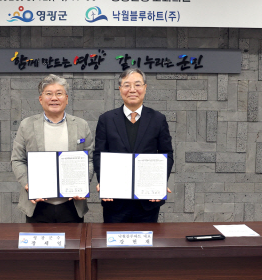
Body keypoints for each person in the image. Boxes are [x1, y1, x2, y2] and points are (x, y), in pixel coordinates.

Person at [93, 68, 174, 223]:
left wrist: (160, 181)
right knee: (114, 238)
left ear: (145, 87)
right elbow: (99, 154)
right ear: (120, 89)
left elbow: (166, 153)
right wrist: (104, 181)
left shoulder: (158, 119)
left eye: (137, 85)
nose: (132, 90)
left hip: (148, 201)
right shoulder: (106, 119)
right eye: (126, 85)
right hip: (115, 200)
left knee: (147, 238)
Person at [11, 74, 94, 223]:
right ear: (41, 99)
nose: (54, 98)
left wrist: (82, 185)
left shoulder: (81, 125)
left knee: (74, 239)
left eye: (59, 93)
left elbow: (90, 160)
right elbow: (17, 160)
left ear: (66, 99)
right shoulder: (27, 125)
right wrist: (28, 185)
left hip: (72, 204)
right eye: (49, 94)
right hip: (37, 204)